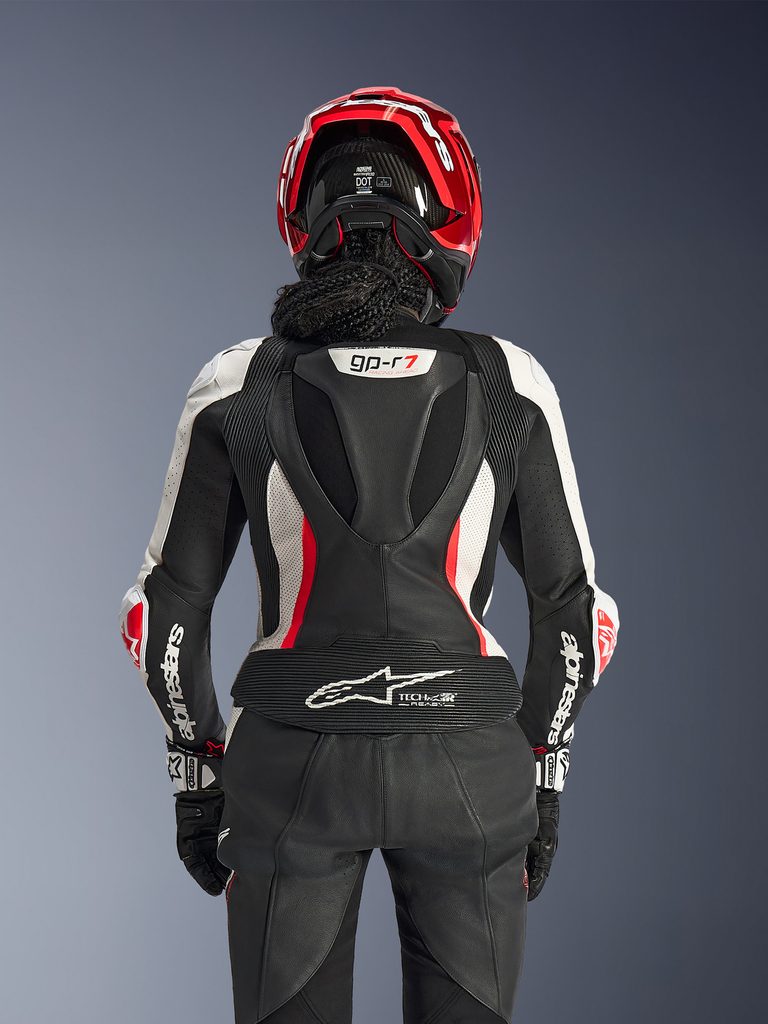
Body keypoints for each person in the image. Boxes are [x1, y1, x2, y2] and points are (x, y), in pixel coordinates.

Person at [119, 86, 619, 1024]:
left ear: (305, 221)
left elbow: (162, 617)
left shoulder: (238, 381)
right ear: (452, 220)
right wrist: (544, 773)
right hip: (469, 764)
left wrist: (197, 772)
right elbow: (577, 614)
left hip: (291, 764)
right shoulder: (509, 381)